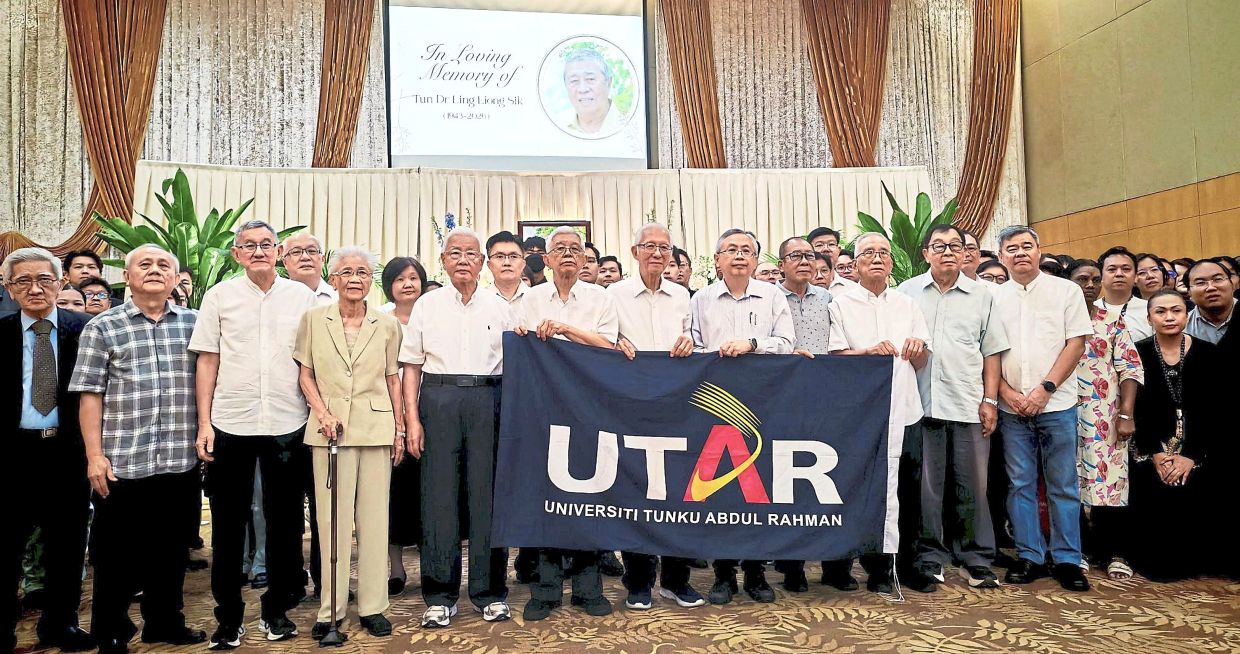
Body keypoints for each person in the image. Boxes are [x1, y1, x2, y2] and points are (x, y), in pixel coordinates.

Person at [70, 245, 205, 654]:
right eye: (143, 265)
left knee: (171, 552)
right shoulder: (103, 327)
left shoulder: (195, 325)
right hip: (123, 462)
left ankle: (164, 623)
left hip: (179, 459)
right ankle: (110, 629)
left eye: (164, 265)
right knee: (115, 557)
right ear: (126, 278)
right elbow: (90, 393)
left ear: (176, 278)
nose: (154, 270)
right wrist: (94, 455)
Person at [190, 220, 318, 648]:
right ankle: (228, 617)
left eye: (266, 244)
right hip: (231, 422)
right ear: (236, 254)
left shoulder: (302, 297)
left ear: (278, 252)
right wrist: (204, 423)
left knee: (284, 525)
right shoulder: (220, 296)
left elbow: (310, 362)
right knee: (228, 526)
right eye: (249, 245)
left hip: (287, 423)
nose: (259, 251)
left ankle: (277, 610)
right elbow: (207, 360)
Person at [400, 229, 516, 628]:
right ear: (443, 260)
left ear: (482, 262)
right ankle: (439, 595)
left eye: (471, 253)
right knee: (438, 500)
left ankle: (489, 592)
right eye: (455, 253)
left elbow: (517, 365)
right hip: (438, 400)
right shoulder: (426, 306)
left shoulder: (501, 308)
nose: (463, 260)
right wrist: (411, 419)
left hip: (488, 401)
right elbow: (411, 366)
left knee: (486, 500)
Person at [294, 247, 404, 641]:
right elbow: (305, 375)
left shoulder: (387, 324)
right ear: (334, 278)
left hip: (376, 428)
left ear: (371, 280)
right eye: (346, 272)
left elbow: (393, 379)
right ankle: (331, 609)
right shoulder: (312, 319)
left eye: (362, 272)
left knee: (375, 521)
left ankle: (374, 606)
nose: (355, 278)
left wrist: (400, 430)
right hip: (329, 432)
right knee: (332, 523)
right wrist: (322, 412)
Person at [897, 225, 1009, 590]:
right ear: (926, 253)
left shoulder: (982, 296)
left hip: (967, 403)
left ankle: (976, 558)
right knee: (926, 490)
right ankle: (930, 556)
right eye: (939, 246)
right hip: (920, 404)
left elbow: (992, 352)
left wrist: (990, 400)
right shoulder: (907, 292)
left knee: (972, 486)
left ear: (965, 254)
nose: (948, 252)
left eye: (955, 246)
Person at [519, 226, 619, 621]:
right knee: (548, 496)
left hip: (590, 408)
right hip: (543, 409)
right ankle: (544, 591)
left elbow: (608, 347)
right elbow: (521, 343)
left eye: (574, 249)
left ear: (584, 259)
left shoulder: (601, 298)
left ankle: (587, 588)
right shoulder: (530, 298)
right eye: (558, 248)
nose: (566, 255)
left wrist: (564, 329)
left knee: (589, 495)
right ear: (545, 258)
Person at [690, 228, 794, 605]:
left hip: (763, 404)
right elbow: (695, 346)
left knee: (758, 488)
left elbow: (785, 344)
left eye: (746, 250)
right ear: (717, 259)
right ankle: (722, 574)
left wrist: (752, 344)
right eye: (730, 250)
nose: (738, 256)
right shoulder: (700, 299)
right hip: (714, 406)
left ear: (755, 260)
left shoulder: (772, 297)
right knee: (720, 488)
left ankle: (755, 571)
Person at [1, 249, 94, 653]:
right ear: (8, 288)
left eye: (45, 279)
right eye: (23, 281)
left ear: (62, 284)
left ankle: (61, 626)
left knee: (67, 545)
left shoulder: (87, 329)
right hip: (10, 457)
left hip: (68, 453)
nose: (35, 288)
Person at [608, 224, 705, 611]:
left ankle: (677, 580)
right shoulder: (612, 295)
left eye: (664, 248)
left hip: (678, 404)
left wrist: (691, 342)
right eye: (649, 246)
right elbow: (603, 338)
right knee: (637, 490)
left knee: (681, 491)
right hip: (630, 404)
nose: (657, 254)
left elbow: (695, 339)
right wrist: (615, 342)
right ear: (634, 251)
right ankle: (638, 582)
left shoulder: (683, 296)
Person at [827, 233, 930, 594]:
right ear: (854, 265)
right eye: (868, 253)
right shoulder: (839, 304)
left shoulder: (908, 304)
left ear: (891, 262)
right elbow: (835, 357)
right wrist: (868, 353)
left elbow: (922, 359)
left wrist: (918, 350)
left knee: (908, 493)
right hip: (862, 417)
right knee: (863, 491)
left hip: (906, 409)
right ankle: (872, 568)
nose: (876, 258)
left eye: (883, 252)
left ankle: (907, 567)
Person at [992, 226, 1091, 592]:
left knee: (1062, 484)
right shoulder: (993, 297)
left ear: (1039, 251)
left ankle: (1067, 559)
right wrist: (1006, 392)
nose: (1020, 253)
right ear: (1001, 256)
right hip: (1011, 405)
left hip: (1057, 404)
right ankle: (1030, 556)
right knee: (1019, 484)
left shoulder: (1066, 291)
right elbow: (987, 354)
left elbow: (1076, 344)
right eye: (1012, 248)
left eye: (1027, 247)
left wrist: (1045, 389)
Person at [771, 237, 856, 593]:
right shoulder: (770, 298)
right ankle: (792, 568)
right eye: (796, 256)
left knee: (832, 480)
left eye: (810, 256)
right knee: (790, 484)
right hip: (784, 399)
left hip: (828, 397)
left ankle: (837, 566)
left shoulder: (830, 300)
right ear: (781, 264)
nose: (805, 262)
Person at [1128, 289, 1224, 581]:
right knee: (1152, 483)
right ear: (1149, 318)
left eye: (1176, 310)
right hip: (1150, 444)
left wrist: (1190, 455)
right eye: (1160, 312)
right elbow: (1134, 408)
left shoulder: (1209, 353)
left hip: (1198, 445)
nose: (1169, 317)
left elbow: (1217, 410)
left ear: (1187, 314)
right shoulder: (1137, 352)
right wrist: (1157, 453)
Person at [1065, 259, 1142, 580]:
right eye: (1082, 279)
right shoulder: (1057, 318)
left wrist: (1126, 413)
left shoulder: (1111, 320)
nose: (1090, 284)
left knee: (1110, 483)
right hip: (1063, 412)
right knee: (1068, 482)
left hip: (1105, 416)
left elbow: (1130, 368)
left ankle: (1115, 552)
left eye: (1095, 279)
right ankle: (1077, 549)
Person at [376, 256, 428, 594]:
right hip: (387, 419)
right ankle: (395, 568)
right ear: (389, 286)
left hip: (431, 418)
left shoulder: (435, 313)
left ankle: (431, 565)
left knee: (429, 496)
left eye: (413, 278)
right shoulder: (378, 319)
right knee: (391, 496)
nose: (407, 284)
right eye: (400, 279)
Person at [560, 48, 624, 137]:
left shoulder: (630, 124)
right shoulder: (557, 125)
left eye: (590, 79)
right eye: (574, 81)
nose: (582, 89)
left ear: (608, 82)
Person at [1095, 247, 1153, 341]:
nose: (1119, 274)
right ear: (1101, 276)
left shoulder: (1150, 309)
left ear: (1135, 276)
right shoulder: (1090, 310)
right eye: (1112, 269)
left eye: (1126, 269)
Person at [1184, 258, 1236, 346]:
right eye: (1200, 283)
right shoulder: (1182, 327)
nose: (1211, 287)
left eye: (1218, 279)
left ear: (1232, 285)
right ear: (1189, 292)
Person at [282, 233, 336, 303]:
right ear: (285, 262)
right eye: (296, 252)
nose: (305, 257)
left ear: (323, 260)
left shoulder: (339, 298)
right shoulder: (275, 299)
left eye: (312, 251)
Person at [486, 231, 530, 308]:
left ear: (523, 264)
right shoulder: (479, 300)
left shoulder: (538, 299)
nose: (507, 263)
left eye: (513, 256)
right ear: (489, 265)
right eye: (499, 256)